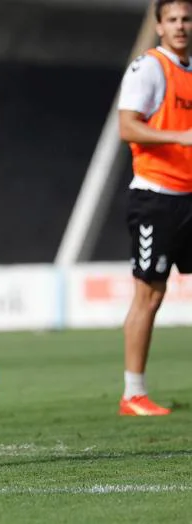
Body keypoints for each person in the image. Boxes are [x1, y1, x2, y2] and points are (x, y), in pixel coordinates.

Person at [117, 0, 192, 416]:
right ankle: (133, 394)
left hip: (190, 195)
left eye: (186, 18)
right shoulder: (149, 68)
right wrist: (180, 138)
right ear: (160, 26)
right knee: (150, 294)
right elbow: (126, 125)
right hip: (156, 198)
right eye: (173, 19)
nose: (181, 26)